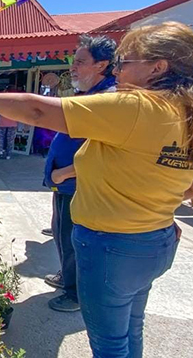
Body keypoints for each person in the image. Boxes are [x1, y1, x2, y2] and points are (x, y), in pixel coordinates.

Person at [0, 22, 193, 357]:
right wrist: (158, 202)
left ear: (158, 67)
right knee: (130, 329)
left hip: (112, 246)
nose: (118, 70)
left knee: (110, 345)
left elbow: (38, 110)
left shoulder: (138, 107)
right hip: (157, 239)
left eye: (125, 62)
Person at [42, 34, 118, 313]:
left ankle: (76, 295)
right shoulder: (91, 94)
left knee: (75, 240)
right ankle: (67, 277)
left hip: (78, 184)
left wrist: (64, 173)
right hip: (66, 184)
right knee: (62, 234)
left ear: (102, 65)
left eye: (80, 62)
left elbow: (108, 154)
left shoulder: (108, 100)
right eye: (73, 62)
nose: (73, 68)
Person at [0, 89, 19, 160]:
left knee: (1, 137)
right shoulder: (15, 102)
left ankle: (1, 151)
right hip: (13, 122)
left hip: (2, 121)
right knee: (10, 139)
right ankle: (8, 154)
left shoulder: (0, 102)